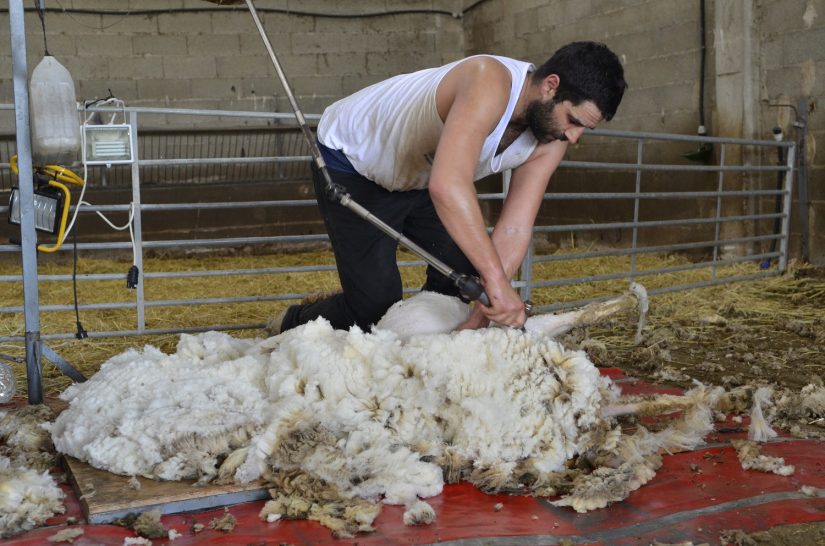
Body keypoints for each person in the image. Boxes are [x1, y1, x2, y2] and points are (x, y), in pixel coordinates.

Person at [275, 41, 626, 334]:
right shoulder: (488, 80)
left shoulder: (553, 137)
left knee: (465, 279)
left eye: (584, 129)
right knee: (373, 307)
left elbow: (516, 226)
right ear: (550, 86)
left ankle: (430, 345)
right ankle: (293, 322)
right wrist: (496, 282)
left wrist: (485, 308)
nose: (574, 137)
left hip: (423, 172)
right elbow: (448, 185)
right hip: (354, 161)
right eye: (574, 121)